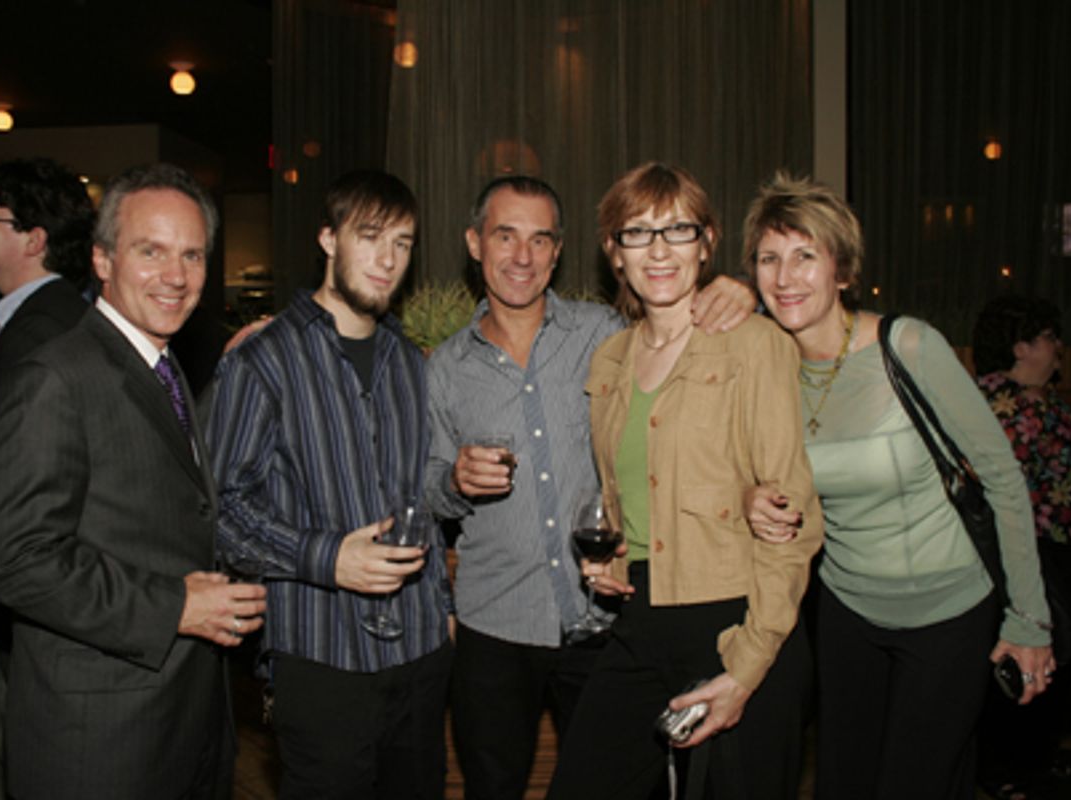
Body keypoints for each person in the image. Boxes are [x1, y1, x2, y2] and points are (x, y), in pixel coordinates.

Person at [424, 174, 754, 799]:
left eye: (540, 239)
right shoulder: (445, 369)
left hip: (606, 621)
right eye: (505, 236)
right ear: (474, 243)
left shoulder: (606, 334)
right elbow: (426, 489)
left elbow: (685, 328)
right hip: (497, 628)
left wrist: (739, 290)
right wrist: (453, 480)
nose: (522, 256)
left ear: (558, 251)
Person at [742, 173, 1054, 799]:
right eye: (769, 259)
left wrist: (1029, 620)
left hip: (948, 613)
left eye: (805, 256)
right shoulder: (765, 364)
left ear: (842, 270)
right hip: (847, 613)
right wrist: (750, 494)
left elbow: (1001, 477)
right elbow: (755, 466)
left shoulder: (906, 346)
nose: (785, 276)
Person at [0, 163, 267, 800]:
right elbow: (8, 558)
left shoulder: (160, 362)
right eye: (151, 251)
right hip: (100, 742)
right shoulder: (55, 377)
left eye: (192, 254)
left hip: (178, 720)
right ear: (102, 260)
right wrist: (174, 606)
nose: (176, 275)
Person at [546, 163, 822, 799]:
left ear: (706, 242)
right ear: (614, 252)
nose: (659, 249)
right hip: (640, 620)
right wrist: (613, 558)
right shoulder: (609, 360)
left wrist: (748, 666)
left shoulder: (755, 344)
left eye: (677, 229)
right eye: (637, 233)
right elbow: (626, 497)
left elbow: (794, 521)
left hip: (741, 619)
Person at [207, 170, 453, 798]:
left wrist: (442, 608)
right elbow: (222, 511)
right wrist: (328, 557)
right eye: (369, 236)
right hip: (322, 655)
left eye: (402, 242)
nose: (388, 259)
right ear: (328, 239)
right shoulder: (263, 359)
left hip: (420, 653)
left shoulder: (409, 362)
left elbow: (419, 497)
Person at [0, 157, 94, 800]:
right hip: (0, 587)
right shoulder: (33, 322)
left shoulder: (45, 333)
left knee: (16, 766)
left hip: (8, 595)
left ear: (34, 239)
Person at [973, 295, 1071, 797]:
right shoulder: (1003, 405)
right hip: (1034, 555)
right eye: (1049, 337)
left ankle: (1033, 758)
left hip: (1068, 549)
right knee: (1022, 659)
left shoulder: (1039, 399)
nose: (1059, 347)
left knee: (1053, 658)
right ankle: (1004, 768)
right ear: (1020, 346)